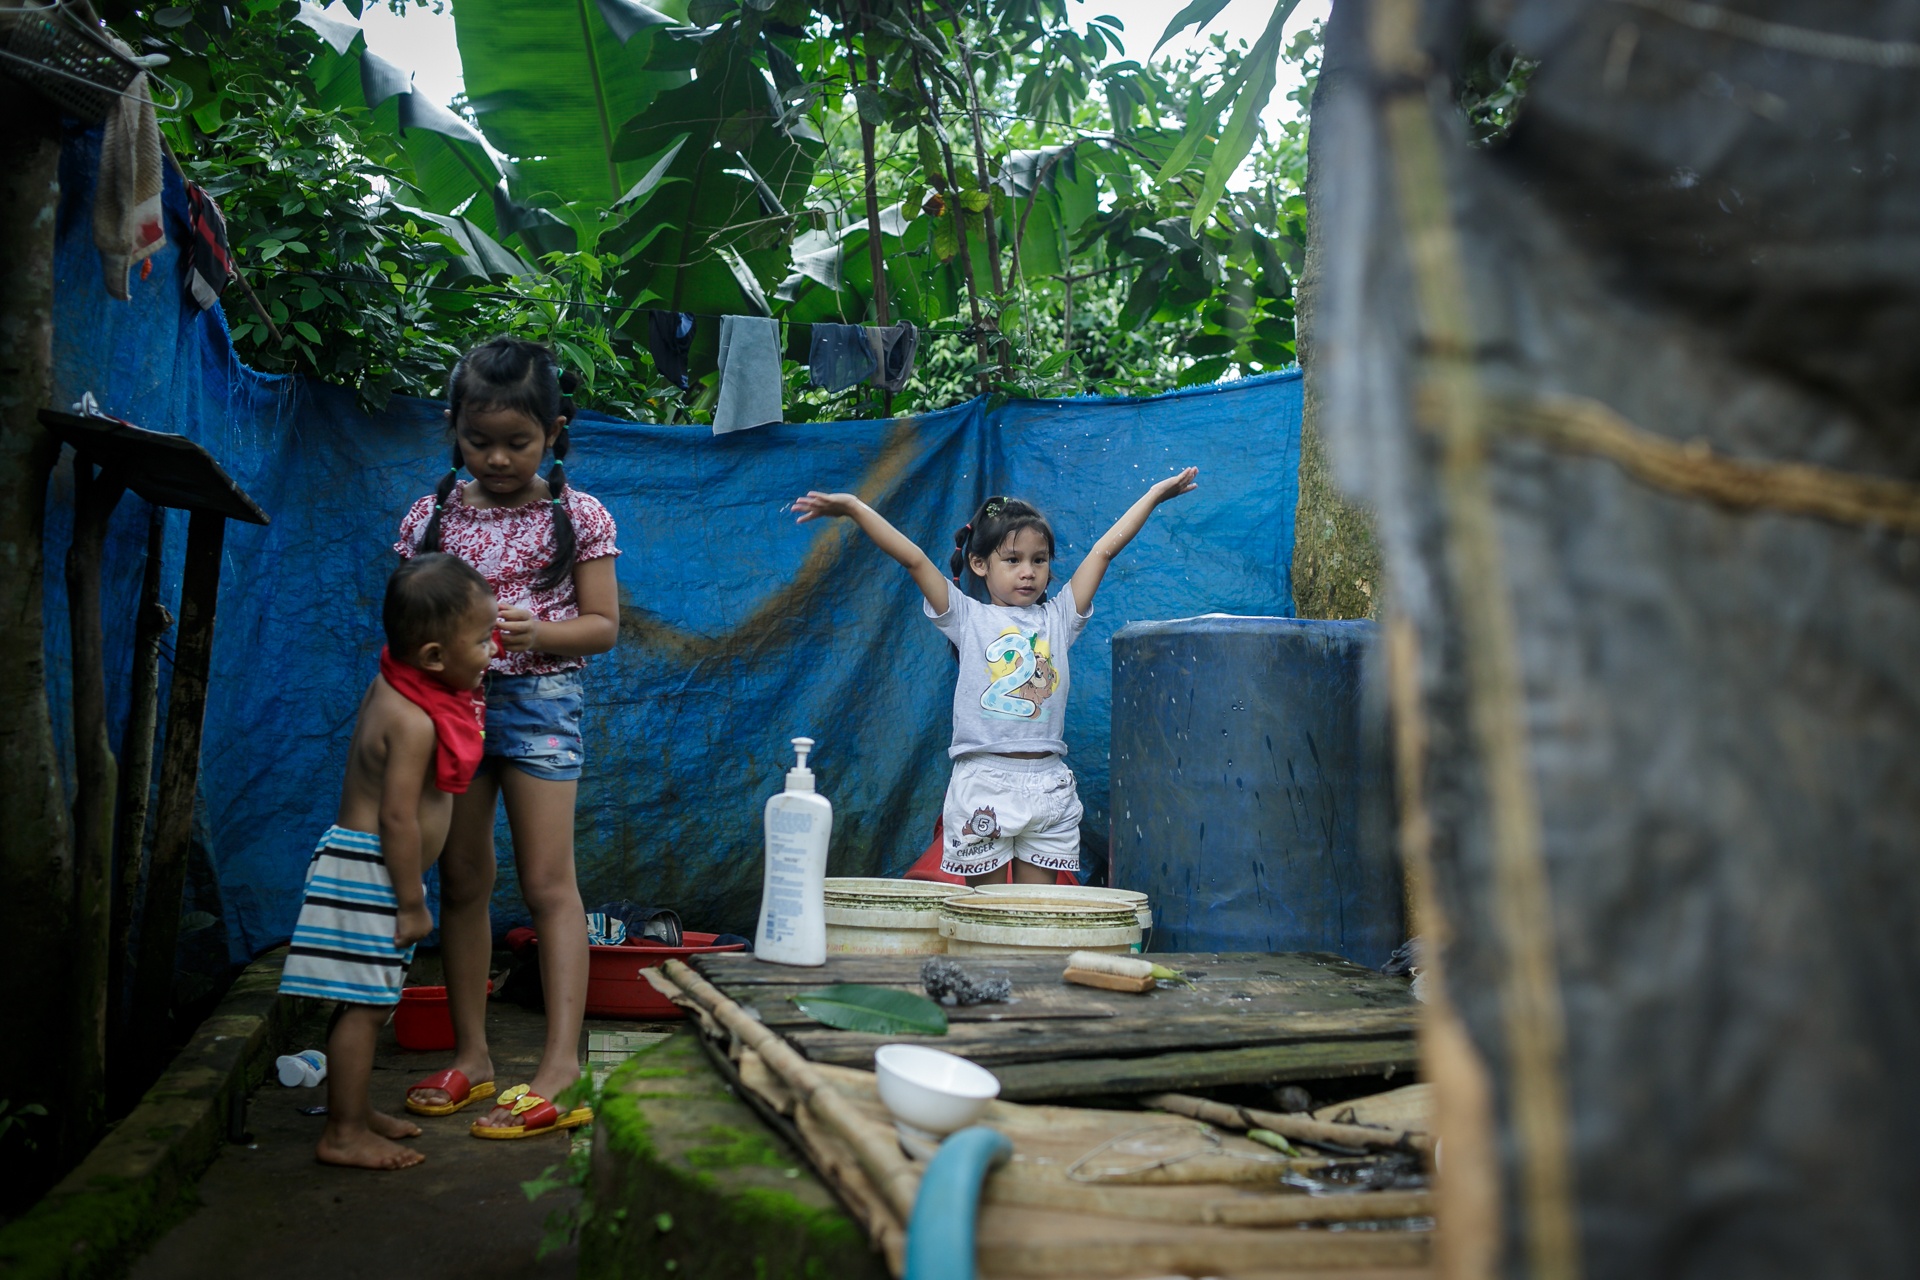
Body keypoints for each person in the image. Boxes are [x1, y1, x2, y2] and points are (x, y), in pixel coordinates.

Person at [395, 337, 619, 1139]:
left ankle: (561, 1066)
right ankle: (474, 1055)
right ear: (453, 427)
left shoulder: (579, 515)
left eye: (517, 443)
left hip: (542, 710)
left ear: (554, 431)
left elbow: (604, 627)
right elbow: (407, 630)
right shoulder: (431, 518)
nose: (496, 458)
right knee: (461, 881)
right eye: (478, 441)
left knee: (549, 884)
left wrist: (540, 631)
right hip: (450, 713)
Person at [791, 469, 1198, 885]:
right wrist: (855, 508)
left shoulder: (1058, 617)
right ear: (979, 564)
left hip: (1047, 784)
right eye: (1013, 559)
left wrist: (1153, 495)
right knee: (987, 913)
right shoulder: (966, 617)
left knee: (1033, 914)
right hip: (984, 781)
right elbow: (912, 558)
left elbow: (1103, 553)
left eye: (1039, 560)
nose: (1028, 572)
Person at [279, 552, 497, 1170]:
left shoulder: (393, 680)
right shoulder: (414, 723)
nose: (492, 650)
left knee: (365, 999)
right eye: (481, 641)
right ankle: (342, 1132)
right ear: (433, 656)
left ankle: (356, 1109)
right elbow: (398, 819)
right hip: (372, 874)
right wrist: (411, 900)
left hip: (367, 869)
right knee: (367, 1006)